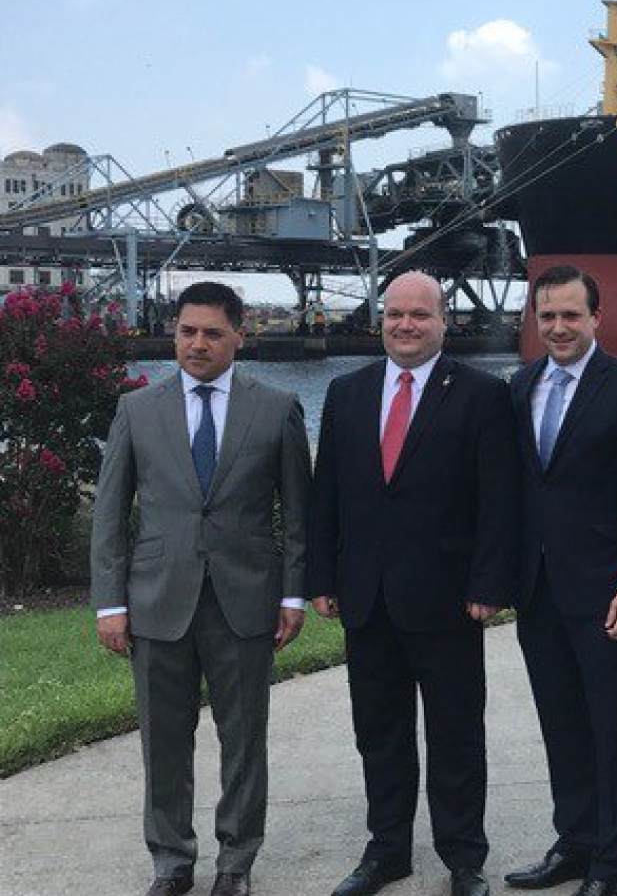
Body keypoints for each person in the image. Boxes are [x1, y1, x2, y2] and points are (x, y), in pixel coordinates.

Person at [90, 281, 310, 896]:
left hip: (246, 601)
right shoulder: (136, 410)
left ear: (240, 336)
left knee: (243, 739)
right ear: (175, 334)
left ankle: (236, 861)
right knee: (163, 740)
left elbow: (297, 515)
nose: (198, 343)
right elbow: (110, 515)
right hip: (157, 600)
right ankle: (172, 860)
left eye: (213, 332)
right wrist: (110, 603)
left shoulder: (277, 407)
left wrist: (293, 596)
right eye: (188, 331)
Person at [307, 271, 519, 896]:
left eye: (419, 315)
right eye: (395, 314)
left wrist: (489, 582)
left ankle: (462, 857)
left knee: (456, 734)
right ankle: (387, 851)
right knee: (379, 731)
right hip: (366, 596)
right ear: (381, 320)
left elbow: (499, 501)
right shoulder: (347, 393)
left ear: (442, 321)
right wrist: (321, 574)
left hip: (450, 597)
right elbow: (328, 496)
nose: (405, 325)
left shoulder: (482, 394)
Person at [505, 266, 617, 896]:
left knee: (616, 731)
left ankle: (615, 866)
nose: (559, 327)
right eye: (548, 316)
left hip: (609, 596)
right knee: (563, 726)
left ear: (596, 319)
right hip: (539, 592)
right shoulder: (520, 387)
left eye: (571, 315)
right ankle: (575, 843)